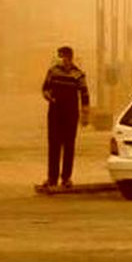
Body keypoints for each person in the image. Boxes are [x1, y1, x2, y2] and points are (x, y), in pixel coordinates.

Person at [41, 45, 90, 188]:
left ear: (68, 57)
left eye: (61, 56)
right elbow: (45, 88)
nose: (60, 59)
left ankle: (66, 178)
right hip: (55, 113)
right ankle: (52, 178)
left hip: (71, 114)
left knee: (69, 146)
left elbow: (85, 95)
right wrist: (49, 97)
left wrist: (85, 116)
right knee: (54, 146)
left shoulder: (78, 74)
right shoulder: (53, 72)